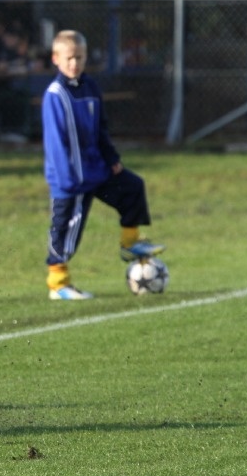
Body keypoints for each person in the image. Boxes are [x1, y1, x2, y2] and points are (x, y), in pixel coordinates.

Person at [42, 30, 164, 300]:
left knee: (132, 188)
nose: (75, 63)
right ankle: (58, 283)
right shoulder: (55, 95)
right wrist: (67, 181)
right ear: (56, 59)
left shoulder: (91, 88)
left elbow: (100, 129)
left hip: (97, 171)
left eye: (80, 57)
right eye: (70, 58)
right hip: (71, 180)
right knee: (66, 229)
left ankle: (130, 244)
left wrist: (111, 159)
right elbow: (55, 143)